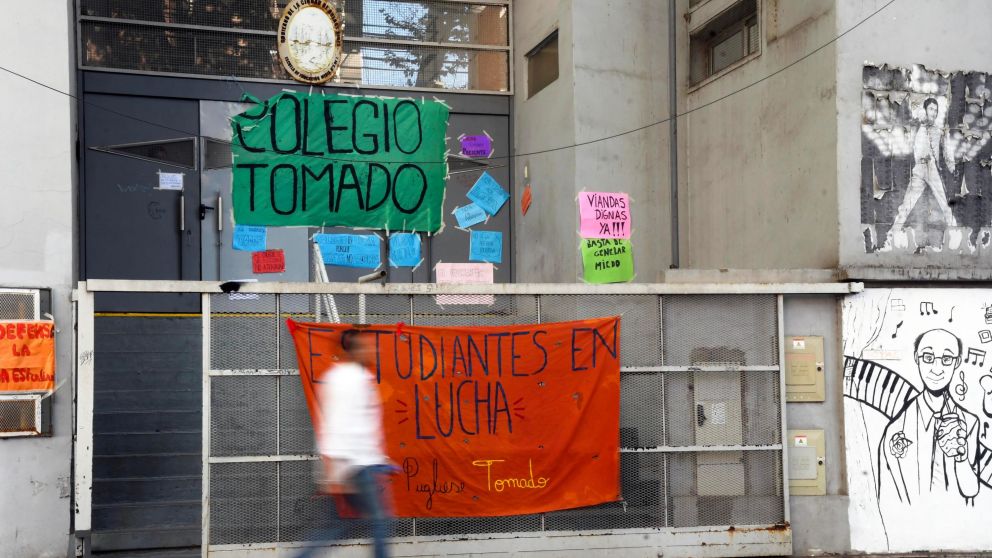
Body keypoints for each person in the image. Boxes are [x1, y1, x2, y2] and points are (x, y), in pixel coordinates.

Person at [297, 329, 393, 558]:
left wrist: (381, 460)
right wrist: (333, 474)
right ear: (350, 351)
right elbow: (334, 427)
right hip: (353, 467)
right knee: (380, 522)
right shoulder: (344, 380)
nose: (373, 350)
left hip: (361, 465)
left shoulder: (360, 378)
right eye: (366, 346)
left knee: (339, 526)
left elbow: (362, 424)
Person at [878, 328, 979, 506]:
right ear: (917, 358)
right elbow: (886, 497)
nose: (937, 369)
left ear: (956, 363)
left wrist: (961, 457)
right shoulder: (896, 429)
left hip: (959, 526)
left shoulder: (969, 423)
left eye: (947, 360)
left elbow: (971, 490)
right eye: (928, 357)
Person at [889, 97, 957, 237]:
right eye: (931, 109)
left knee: (944, 203)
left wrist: (952, 166)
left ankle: (955, 231)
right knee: (908, 202)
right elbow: (910, 131)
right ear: (925, 110)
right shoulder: (917, 125)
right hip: (919, 168)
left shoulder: (939, 130)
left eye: (936, 110)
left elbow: (947, 150)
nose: (933, 112)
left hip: (932, 168)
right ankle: (894, 231)